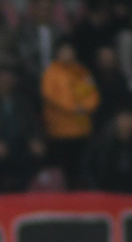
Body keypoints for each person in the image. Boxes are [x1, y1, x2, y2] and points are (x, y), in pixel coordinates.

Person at [41, 42, 100, 186]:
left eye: (70, 51)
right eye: (63, 51)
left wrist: (85, 106)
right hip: (60, 131)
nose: (67, 55)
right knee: (63, 170)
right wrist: (74, 107)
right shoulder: (51, 72)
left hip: (82, 129)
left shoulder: (82, 72)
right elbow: (50, 96)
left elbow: (92, 94)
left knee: (81, 168)